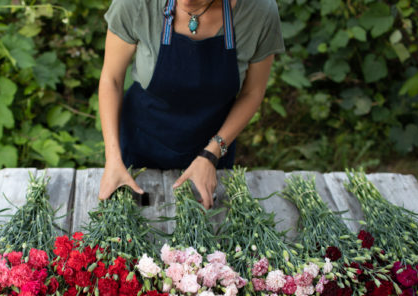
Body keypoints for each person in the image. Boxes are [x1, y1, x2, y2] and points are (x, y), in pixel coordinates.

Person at [98, 0, 285, 208]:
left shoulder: (259, 11)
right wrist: (113, 159)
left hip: (213, 147)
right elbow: (111, 79)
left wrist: (211, 153)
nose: (185, 2)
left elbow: (253, 92)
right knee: (143, 217)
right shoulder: (135, 4)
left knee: (205, 227)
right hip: (140, 143)